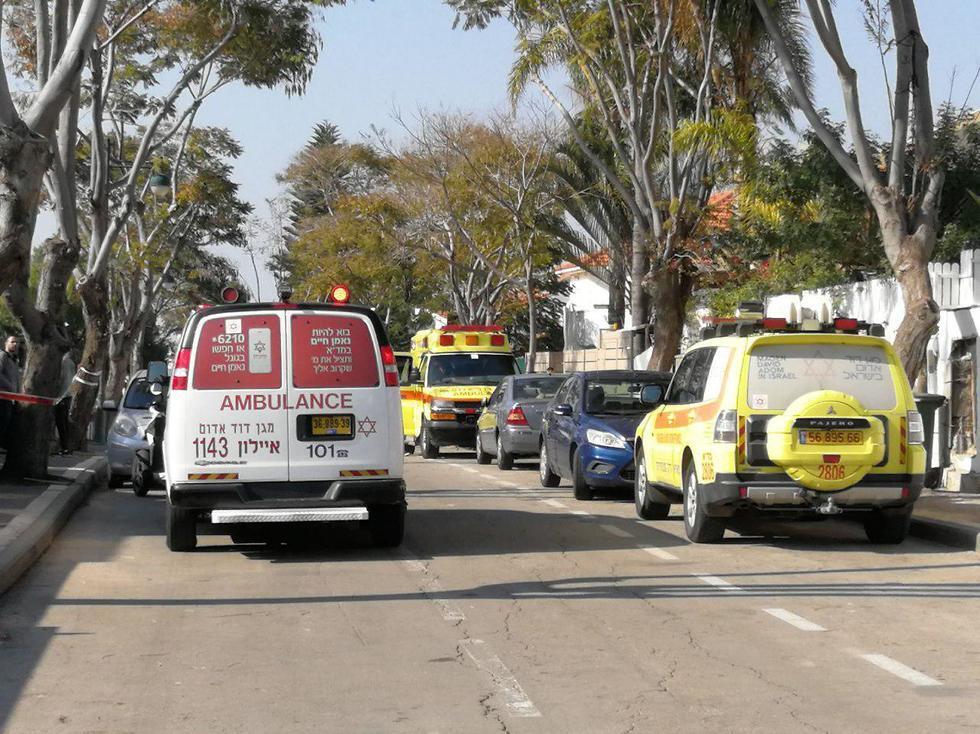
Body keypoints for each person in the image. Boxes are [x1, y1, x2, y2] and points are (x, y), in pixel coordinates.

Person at [0, 335, 21, 449]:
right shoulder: (2, 355)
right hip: (3, 396)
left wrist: (17, 393)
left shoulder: (14, 359)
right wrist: (10, 386)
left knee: (8, 422)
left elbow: (16, 379)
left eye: (17, 342)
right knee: (3, 421)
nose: (15, 344)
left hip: (11, 397)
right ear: (6, 343)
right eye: (12, 342)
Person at [54, 351, 76, 455]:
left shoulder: (63, 363)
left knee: (60, 422)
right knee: (63, 422)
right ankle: (66, 446)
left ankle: (64, 446)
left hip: (60, 396)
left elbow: (60, 380)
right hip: (67, 395)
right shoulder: (71, 363)